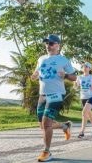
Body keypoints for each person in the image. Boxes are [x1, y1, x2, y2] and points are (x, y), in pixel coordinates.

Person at [31, 34, 77, 162]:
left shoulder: (63, 60)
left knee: (46, 123)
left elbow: (74, 77)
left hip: (56, 94)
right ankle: (65, 126)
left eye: (51, 43)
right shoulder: (41, 59)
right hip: (42, 95)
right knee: (42, 125)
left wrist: (66, 75)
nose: (48, 46)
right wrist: (34, 75)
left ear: (57, 45)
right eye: (46, 43)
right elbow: (37, 72)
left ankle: (47, 151)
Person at [74, 62, 92, 138]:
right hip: (83, 98)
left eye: (86, 66)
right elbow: (76, 87)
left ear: (89, 68)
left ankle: (82, 132)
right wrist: (74, 86)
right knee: (89, 115)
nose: (84, 68)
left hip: (91, 97)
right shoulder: (79, 77)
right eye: (83, 66)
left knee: (84, 112)